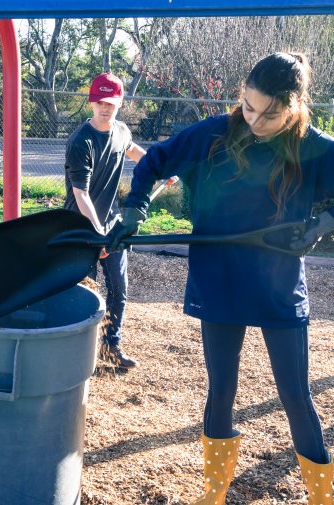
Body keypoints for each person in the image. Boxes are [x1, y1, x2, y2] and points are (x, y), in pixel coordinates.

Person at [108, 52, 334, 503]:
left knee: (295, 392)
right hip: (219, 279)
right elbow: (155, 161)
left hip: (278, 283)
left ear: (295, 105)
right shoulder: (214, 133)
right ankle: (213, 494)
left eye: (270, 113)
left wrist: (321, 224)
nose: (254, 120)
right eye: (248, 106)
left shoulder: (316, 148)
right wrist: (135, 208)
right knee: (222, 387)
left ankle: (323, 497)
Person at [63, 72, 147, 369]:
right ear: (91, 102)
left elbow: (133, 150)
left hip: (112, 224)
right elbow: (81, 194)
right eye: (99, 101)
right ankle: (78, 355)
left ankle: (111, 348)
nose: (104, 107)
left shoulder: (121, 131)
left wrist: (157, 168)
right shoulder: (80, 141)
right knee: (86, 291)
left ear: (120, 102)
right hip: (80, 227)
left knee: (118, 289)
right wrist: (98, 236)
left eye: (111, 102)